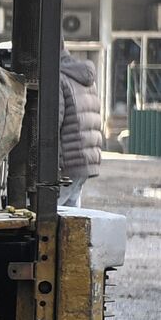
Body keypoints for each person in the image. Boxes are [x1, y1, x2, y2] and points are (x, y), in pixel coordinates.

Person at [58, 48, 103, 207]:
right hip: (84, 161)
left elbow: (54, 123)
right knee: (71, 219)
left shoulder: (59, 78)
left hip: (67, 163)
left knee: (47, 217)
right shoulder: (83, 75)